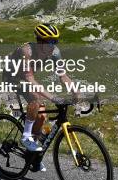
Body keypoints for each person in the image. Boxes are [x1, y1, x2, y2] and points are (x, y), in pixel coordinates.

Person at [10, 23, 79, 172]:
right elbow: (29, 79)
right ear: (40, 40)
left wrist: (75, 92)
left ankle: (33, 155)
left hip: (28, 77)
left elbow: (63, 75)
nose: (53, 45)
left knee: (41, 118)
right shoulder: (26, 51)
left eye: (55, 41)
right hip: (13, 77)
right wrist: (52, 97)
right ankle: (26, 136)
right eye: (50, 41)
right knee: (37, 98)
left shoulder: (55, 52)